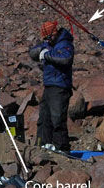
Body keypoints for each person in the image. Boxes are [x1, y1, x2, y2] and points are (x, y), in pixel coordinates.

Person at [29, 20, 74, 153]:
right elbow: (33, 52)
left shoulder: (64, 44)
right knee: (44, 117)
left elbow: (66, 60)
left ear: (54, 33)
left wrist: (47, 55)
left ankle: (62, 147)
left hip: (60, 86)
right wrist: (42, 50)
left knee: (57, 118)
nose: (47, 41)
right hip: (49, 85)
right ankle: (43, 144)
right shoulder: (50, 44)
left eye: (48, 37)